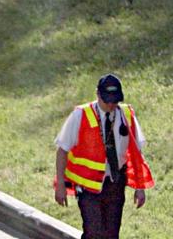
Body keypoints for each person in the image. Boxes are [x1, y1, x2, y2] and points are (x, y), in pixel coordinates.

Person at [54, 74, 154, 239]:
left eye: (115, 101)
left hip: (115, 183)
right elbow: (62, 150)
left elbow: (136, 153)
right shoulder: (80, 115)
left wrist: (140, 187)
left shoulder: (126, 115)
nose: (110, 105)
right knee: (94, 233)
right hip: (88, 187)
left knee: (111, 234)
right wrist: (60, 185)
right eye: (107, 100)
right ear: (98, 94)